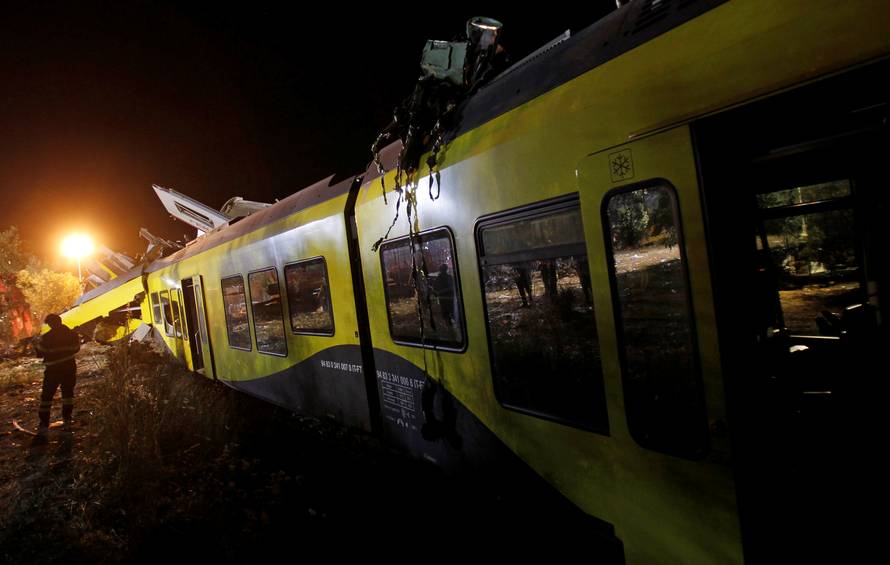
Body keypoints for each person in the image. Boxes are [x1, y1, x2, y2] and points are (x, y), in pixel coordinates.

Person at [34, 314, 81, 434]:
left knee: (47, 397)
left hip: (53, 370)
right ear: (60, 321)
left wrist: (36, 344)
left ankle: (44, 423)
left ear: (50, 324)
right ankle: (67, 419)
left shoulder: (46, 337)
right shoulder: (72, 334)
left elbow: (40, 353)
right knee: (68, 395)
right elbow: (76, 348)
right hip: (69, 368)